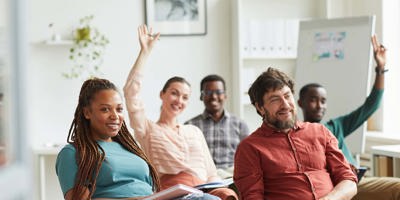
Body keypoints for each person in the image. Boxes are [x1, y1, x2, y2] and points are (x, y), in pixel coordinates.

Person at [123, 24, 238, 200]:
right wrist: (144, 53)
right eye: (174, 93)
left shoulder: (193, 131)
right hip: (173, 194)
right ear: (162, 95)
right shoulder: (147, 130)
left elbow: (211, 173)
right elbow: (131, 92)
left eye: (185, 97)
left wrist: (223, 190)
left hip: (205, 190)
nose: (179, 101)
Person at [55, 78, 218, 200]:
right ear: (87, 113)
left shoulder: (129, 148)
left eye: (119, 109)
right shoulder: (73, 153)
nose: (115, 116)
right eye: (105, 109)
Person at [298, 35, 400, 200]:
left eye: (323, 101)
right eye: (313, 100)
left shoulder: (336, 126)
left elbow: (371, 106)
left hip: (358, 182)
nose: (319, 105)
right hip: (334, 188)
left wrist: (380, 68)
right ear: (300, 103)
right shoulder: (297, 136)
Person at [233, 67, 358, 199]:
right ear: (260, 108)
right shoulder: (250, 148)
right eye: (275, 99)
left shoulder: (320, 132)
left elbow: (348, 181)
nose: (285, 105)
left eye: (287, 96)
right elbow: (252, 197)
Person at [185, 74, 249, 178]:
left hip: (232, 178)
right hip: (203, 179)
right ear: (201, 96)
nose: (214, 96)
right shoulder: (190, 126)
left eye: (218, 92)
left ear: (225, 95)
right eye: (208, 92)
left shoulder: (240, 125)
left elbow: (248, 159)